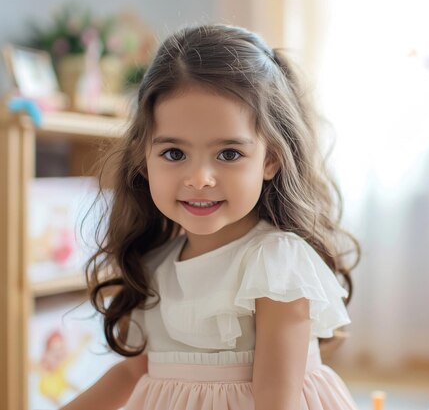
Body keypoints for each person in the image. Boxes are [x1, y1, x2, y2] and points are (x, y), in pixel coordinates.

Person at [60, 24, 360, 410]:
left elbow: (276, 400)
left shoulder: (276, 263)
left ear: (270, 160)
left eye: (229, 154)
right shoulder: (154, 266)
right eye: (174, 154)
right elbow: (133, 373)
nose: (199, 179)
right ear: (143, 158)